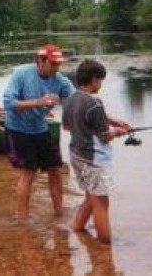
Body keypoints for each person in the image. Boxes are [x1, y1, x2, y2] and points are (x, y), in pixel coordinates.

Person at [61, 59, 132, 244]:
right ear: (94, 80)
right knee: (101, 202)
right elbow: (104, 136)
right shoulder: (95, 103)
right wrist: (118, 131)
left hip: (76, 155)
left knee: (91, 197)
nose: (101, 84)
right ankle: (105, 242)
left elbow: (67, 127)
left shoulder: (70, 99)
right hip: (93, 160)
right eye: (101, 80)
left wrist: (113, 123)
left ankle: (76, 228)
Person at [3, 44, 75, 218]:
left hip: (40, 128)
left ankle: (59, 214)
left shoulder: (60, 81)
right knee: (29, 172)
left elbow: (78, 101)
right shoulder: (22, 73)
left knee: (55, 170)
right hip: (18, 128)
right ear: (40, 61)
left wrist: (107, 120)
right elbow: (9, 104)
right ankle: (23, 218)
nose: (56, 68)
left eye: (58, 64)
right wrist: (39, 102)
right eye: (53, 63)